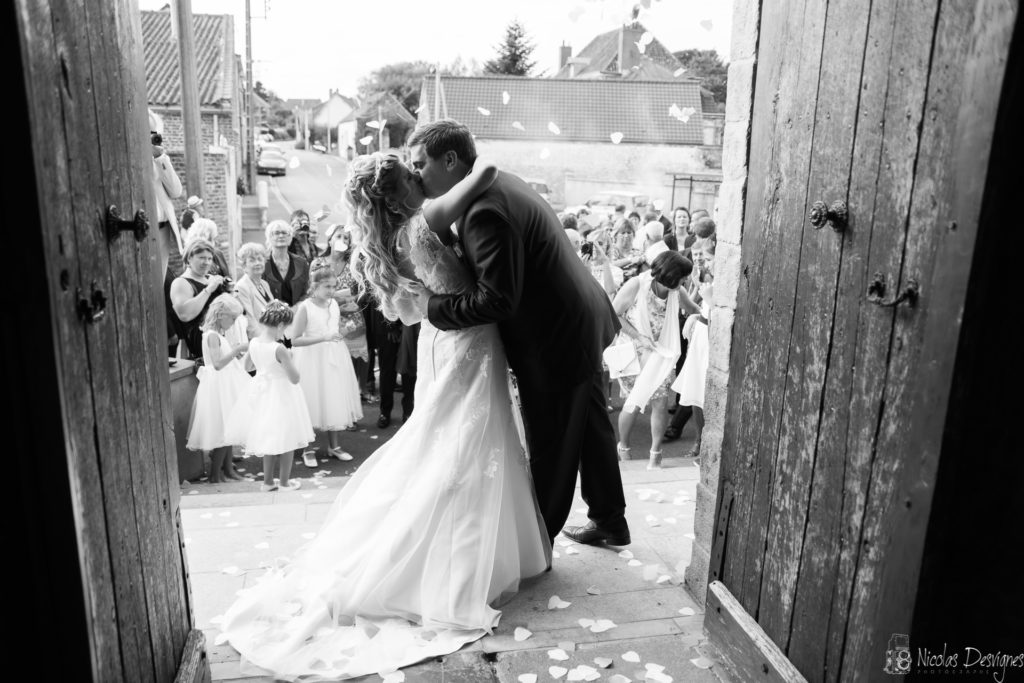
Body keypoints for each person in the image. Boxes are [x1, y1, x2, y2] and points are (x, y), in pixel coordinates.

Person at [219, 152, 549, 680]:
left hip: (443, 341)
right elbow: (485, 172)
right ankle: (452, 569)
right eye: (412, 174)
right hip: (468, 341)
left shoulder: (385, 245)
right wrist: (447, 175)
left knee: (451, 441)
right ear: (398, 194)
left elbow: (402, 311)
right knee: (465, 445)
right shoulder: (422, 223)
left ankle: (463, 551)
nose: (422, 178)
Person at [407, 119, 628, 548]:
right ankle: (609, 519)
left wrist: (432, 308)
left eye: (421, 164)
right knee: (589, 426)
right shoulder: (497, 181)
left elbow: (497, 300)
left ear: (450, 159)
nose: (416, 174)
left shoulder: (483, 211)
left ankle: (534, 544)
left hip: (556, 337)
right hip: (578, 320)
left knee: (551, 441)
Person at [612, 251, 700, 469]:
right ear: (671, 275)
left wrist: (703, 316)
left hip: (662, 355)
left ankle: (655, 453)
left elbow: (694, 309)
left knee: (660, 403)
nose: (685, 281)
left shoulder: (676, 291)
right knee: (633, 404)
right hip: (634, 353)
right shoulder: (636, 285)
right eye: (683, 276)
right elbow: (614, 313)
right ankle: (623, 447)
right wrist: (639, 337)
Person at [225, 300, 313, 492]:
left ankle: (267, 483)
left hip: (263, 393)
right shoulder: (279, 348)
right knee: (287, 437)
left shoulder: (254, 343)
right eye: (286, 328)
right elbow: (295, 378)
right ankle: (284, 482)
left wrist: (265, 368)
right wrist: (289, 358)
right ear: (280, 325)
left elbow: (247, 367)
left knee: (269, 436)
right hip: (282, 394)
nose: (285, 332)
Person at [289, 258, 362, 465]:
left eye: (333, 286)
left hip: (334, 356)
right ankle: (308, 448)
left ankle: (334, 446)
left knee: (333, 398)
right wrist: (324, 338)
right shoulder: (306, 307)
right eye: (326, 286)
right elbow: (295, 339)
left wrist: (343, 331)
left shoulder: (334, 306)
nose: (331, 291)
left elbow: (333, 331)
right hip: (311, 359)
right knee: (312, 400)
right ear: (314, 286)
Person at [185, 294, 250, 482]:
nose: (234, 322)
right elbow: (217, 364)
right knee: (224, 431)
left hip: (226, 385)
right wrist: (237, 350)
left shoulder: (219, 335)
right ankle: (215, 475)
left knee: (230, 429)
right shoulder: (212, 336)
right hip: (219, 388)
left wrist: (234, 354)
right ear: (221, 315)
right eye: (232, 317)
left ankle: (229, 470)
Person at [324, 223, 371, 400]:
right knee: (332, 361)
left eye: (346, 238)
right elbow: (311, 292)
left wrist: (354, 300)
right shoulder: (318, 263)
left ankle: (357, 395)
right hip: (327, 319)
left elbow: (364, 290)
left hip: (352, 317)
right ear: (329, 240)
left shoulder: (355, 264)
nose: (342, 240)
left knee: (356, 360)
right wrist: (334, 299)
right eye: (338, 236)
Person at [169, 239, 231, 359]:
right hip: (203, 348)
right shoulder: (181, 282)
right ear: (189, 258)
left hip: (224, 341)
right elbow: (184, 315)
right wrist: (209, 289)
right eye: (201, 257)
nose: (206, 262)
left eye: (209, 258)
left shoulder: (211, 278)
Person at [151, 131, 183, 277]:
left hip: (163, 230)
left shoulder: (160, 159)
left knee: (160, 280)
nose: (152, 138)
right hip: (143, 229)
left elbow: (176, 191)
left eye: (154, 133)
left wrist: (159, 158)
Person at [263, 219, 309, 306]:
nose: (281, 236)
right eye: (276, 233)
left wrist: (295, 309)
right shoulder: (262, 263)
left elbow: (307, 292)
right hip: (269, 315)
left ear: (290, 237)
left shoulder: (301, 263)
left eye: (284, 233)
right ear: (269, 237)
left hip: (297, 314)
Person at [233, 243, 273, 339]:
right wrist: (266, 342)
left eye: (260, 259)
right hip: (259, 341)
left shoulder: (264, 284)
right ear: (244, 266)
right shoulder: (241, 287)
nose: (257, 263)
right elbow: (249, 322)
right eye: (252, 260)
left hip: (272, 337)